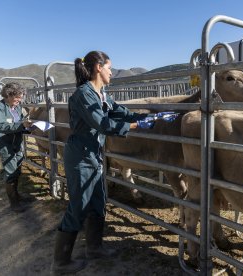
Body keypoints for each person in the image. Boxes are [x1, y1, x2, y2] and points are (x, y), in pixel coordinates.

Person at [51, 50, 177, 275]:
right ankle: (61, 261)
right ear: (98, 68)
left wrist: (149, 117)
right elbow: (103, 124)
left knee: (98, 201)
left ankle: (94, 249)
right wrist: (137, 127)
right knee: (79, 205)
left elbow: (121, 112)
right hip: (80, 155)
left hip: (94, 153)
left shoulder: (101, 94)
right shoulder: (83, 95)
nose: (112, 72)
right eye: (109, 67)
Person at [0, 82, 33, 213]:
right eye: (17, 97)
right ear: (9, 95)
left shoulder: (17, 108)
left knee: (17, 168)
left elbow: (19, 124)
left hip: (16, 142)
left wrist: (28, 128)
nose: (19, 100)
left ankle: (17, 195)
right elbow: (0, 126)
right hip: (4, 143)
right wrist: (21, 126)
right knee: (11, 171)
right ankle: (14, 203)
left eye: (20, 97)